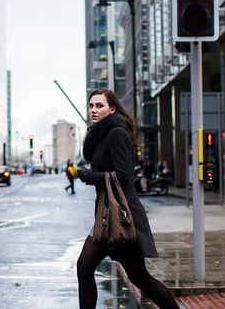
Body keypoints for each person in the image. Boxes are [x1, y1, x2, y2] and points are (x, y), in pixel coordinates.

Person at [75, 88, 180, 309]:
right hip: (105, 214)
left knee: (140, 278)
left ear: (112, 108)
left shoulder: (116, 133)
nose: (93, 110)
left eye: (99, 105)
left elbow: (124, 175)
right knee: (84, 266)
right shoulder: (101, 135)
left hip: (121, 214)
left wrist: (88, 175)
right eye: (91, 105)